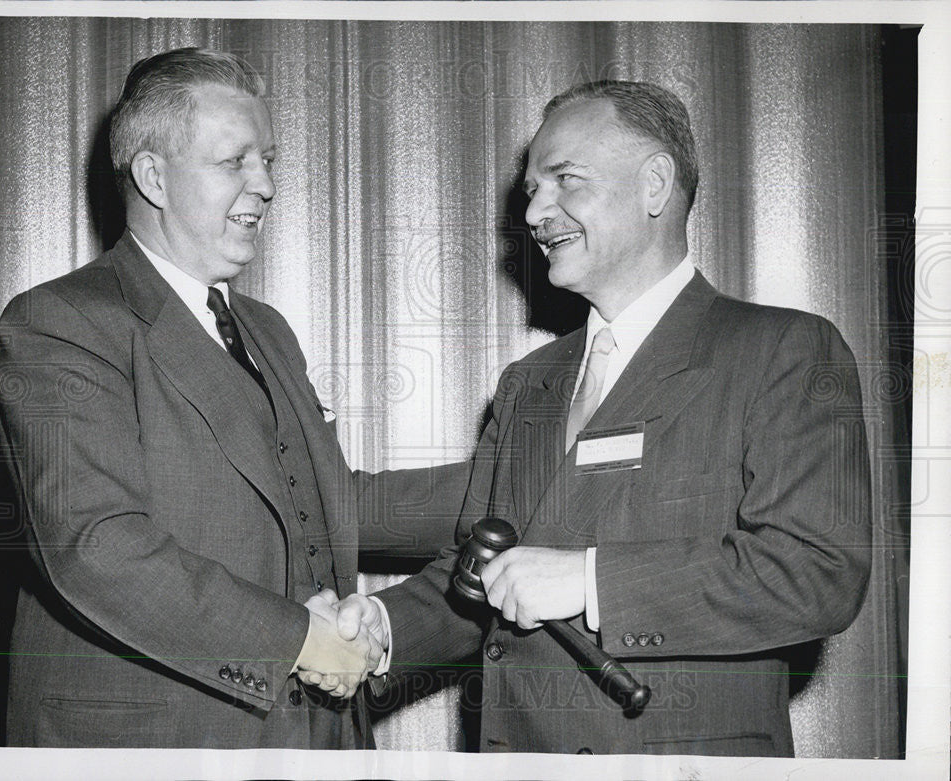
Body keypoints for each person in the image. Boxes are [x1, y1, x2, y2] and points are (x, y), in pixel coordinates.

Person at [314, 80, 873, 756]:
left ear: (655, 185)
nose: (536, 212)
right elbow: (488, 572)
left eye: (564, 181)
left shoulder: (783, 350)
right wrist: (377, 629)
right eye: (530, 192)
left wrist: (588, 579)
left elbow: (816, 573)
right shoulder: (528, 384)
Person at [0, 47, 460, 749]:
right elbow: (97, 546)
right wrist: (299, 638)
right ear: (153, 177)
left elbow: (325, 505)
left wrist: (516, 481)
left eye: (268, 160)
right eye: (235, 161)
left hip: (312, 740)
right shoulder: (61, 322)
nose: (265, 183)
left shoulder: (266, 330)